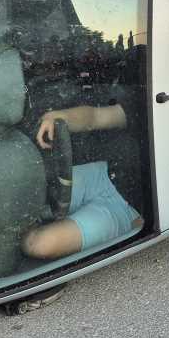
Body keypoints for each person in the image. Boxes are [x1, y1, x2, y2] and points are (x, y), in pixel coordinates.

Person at [23, 66, 146, 260]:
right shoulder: (155, 98)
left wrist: (147, 225)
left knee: (38, 244)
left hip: (127, 210)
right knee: (24, 196)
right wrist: (60, 116)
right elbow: (95, 116)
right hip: (104, 175)